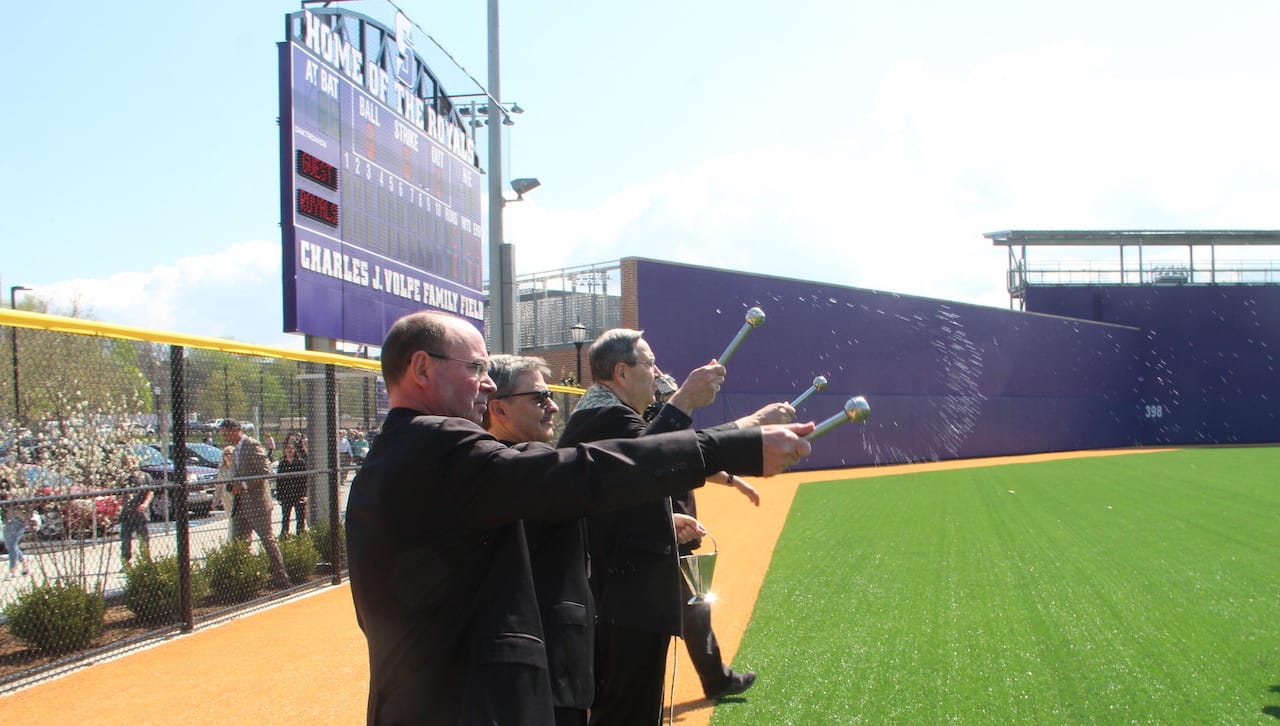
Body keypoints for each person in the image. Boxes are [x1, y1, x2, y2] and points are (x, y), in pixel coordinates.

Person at [344, 311, 813, 726]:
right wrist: (737, 443)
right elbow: (587, 474)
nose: (487, 384)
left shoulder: (404, 453)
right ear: (422, 367)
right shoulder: (439, 445)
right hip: (467, 705)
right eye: (476, 368)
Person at [557, 329, 795, 725]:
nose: (657, 372)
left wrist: (667, 519)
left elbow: (623, 490)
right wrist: (732, 418)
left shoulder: (604, 415)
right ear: (621, 372)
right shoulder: (606, 416)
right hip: (623, 599)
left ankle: (716, 678)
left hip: (622, 594)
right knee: (625, 709)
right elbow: (651, 462)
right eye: (650, 363)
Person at [482, 354, 592, 726]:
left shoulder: (487, 469)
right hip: (545, 663)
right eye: (539, 397)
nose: (552, 405)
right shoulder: (524, 465)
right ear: (498, 408)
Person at [219, 419, 290, 589]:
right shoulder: (235, 450)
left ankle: (281, 578)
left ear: (236, 430)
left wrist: (242, 485)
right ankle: (244, 581)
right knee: (239, 543)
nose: (224, 437)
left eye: (225, 433)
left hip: (257, 504)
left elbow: (265, 472)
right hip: (240, 505)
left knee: (267, 539)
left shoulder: (252, 445)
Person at [118, 467, 154, 562]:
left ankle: (146, 559)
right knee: (125, 539)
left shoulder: (145, 476)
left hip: (141, 513)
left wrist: (145, 504)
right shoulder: (124, 478)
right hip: (127, 513)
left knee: (144, 538)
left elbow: (150, 492)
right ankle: (126, 560)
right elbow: (119, 494)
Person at [275, 437, 309, 536]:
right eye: (287, 449)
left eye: (291, 448)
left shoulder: (300, 463)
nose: (289, 451)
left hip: (298, 494)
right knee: (285, 518)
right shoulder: (282, 464)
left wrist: (305, 495)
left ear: (295, 450)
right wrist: (279, 496)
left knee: (300, 518)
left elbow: (304, 480)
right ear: (284, 451)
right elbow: (279, 481)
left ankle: (300, 537)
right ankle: (284, 536)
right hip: (286, 495)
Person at [1, 479, 33, 578]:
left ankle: (12, 569)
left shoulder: (16, 494)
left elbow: (24, 507)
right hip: (7, 521)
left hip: (18, 520)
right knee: (10, 545)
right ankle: (25, 565)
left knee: (12, 545)